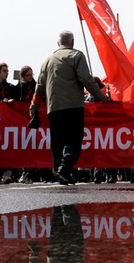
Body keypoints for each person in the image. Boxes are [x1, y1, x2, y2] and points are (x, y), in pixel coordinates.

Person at [28, 30, 107, 185]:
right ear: (72, 42)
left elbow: (39, 89)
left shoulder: (47, 61)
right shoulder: (76, 56)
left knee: (57, 142)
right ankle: (64, 169)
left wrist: (34, 111)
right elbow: (86, 79)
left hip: (54, 108)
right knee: (74, 140)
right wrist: (102, 97)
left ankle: (61, 172)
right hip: (73, 107)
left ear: (58, 43)